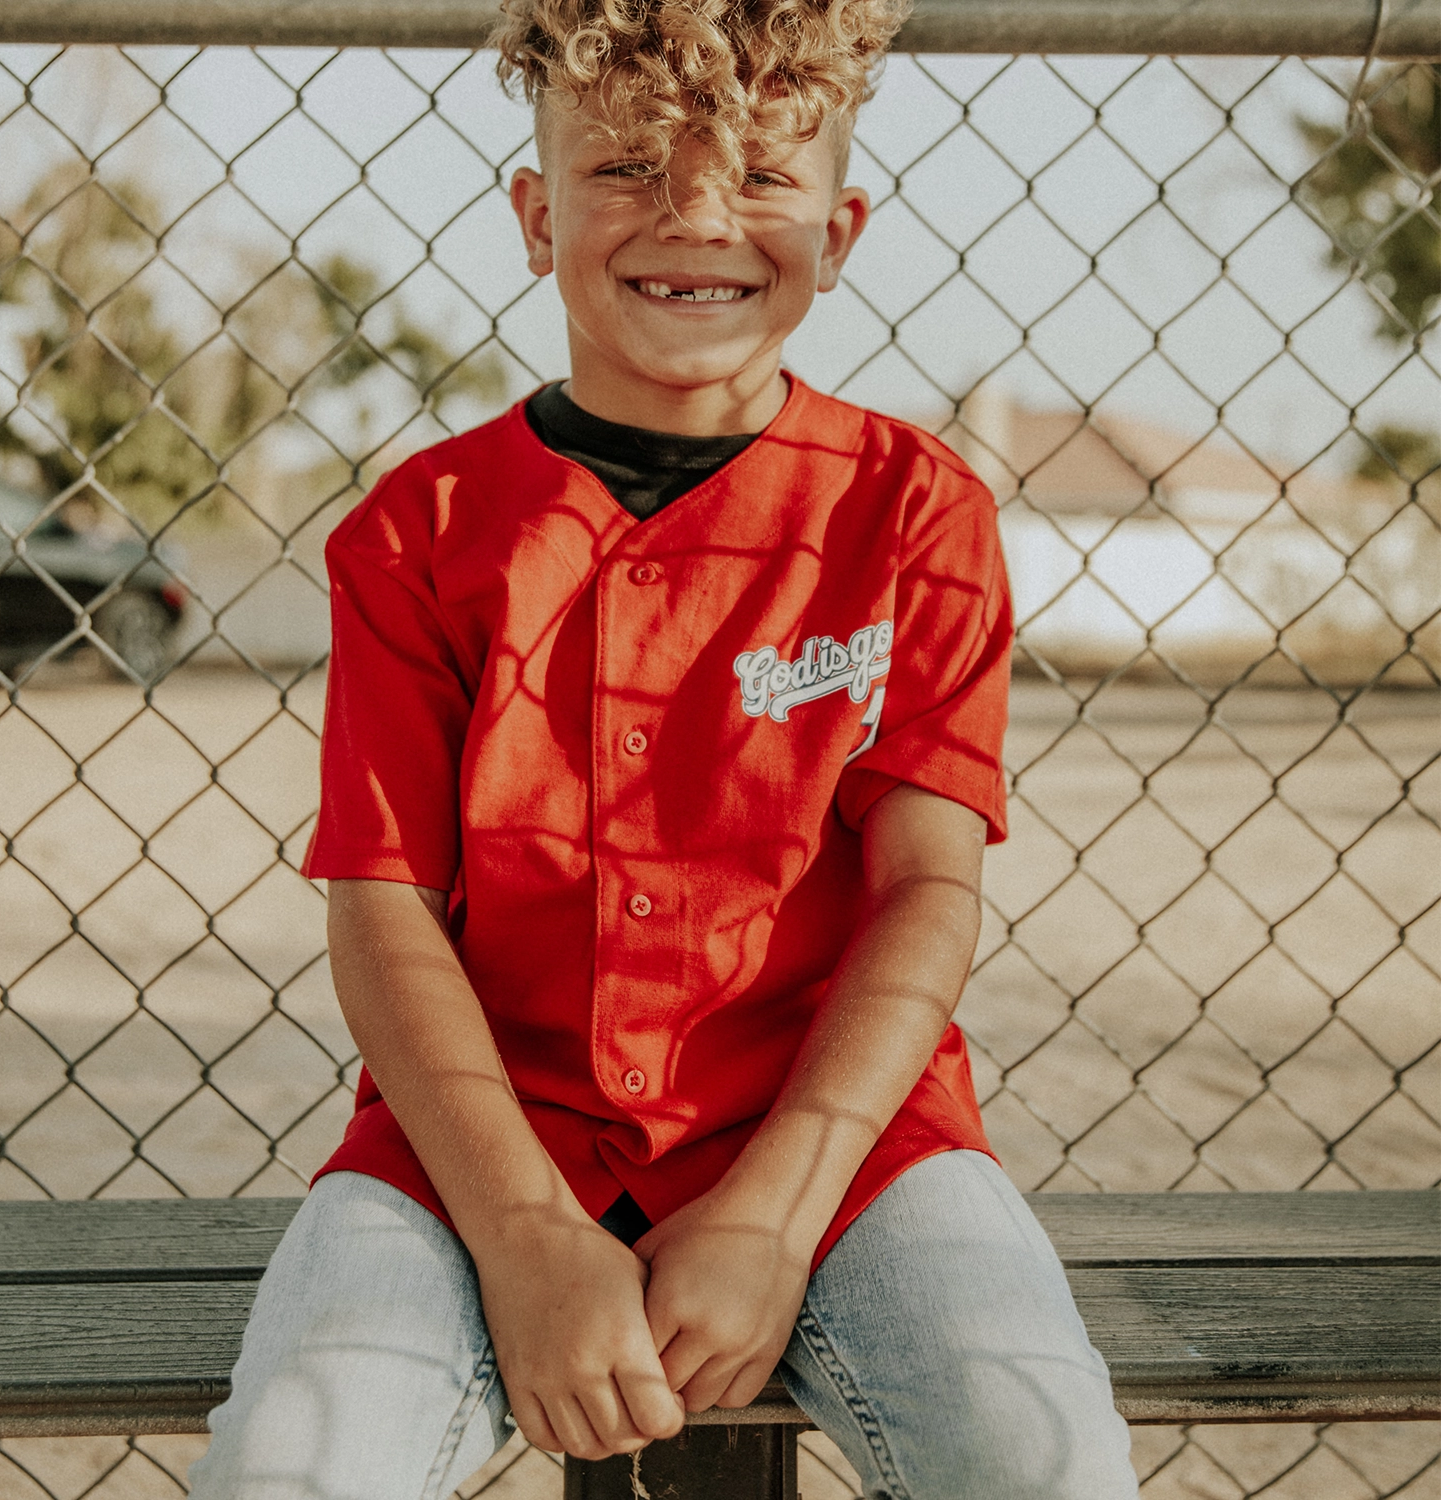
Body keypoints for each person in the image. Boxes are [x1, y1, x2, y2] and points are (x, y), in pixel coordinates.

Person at [188, 0, 1139, 1493]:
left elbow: (923, 894)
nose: (697, 217)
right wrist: (518, 1234)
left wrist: (775, 1210)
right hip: (485, 1146)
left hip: (838, 1141)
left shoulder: (912, 508)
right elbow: (383, 910)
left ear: (842, 225)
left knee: (1039, 1454)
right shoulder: (417, 532)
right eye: (629, 166)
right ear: (533, 210)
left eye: (762, 175)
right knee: (295, 1464)